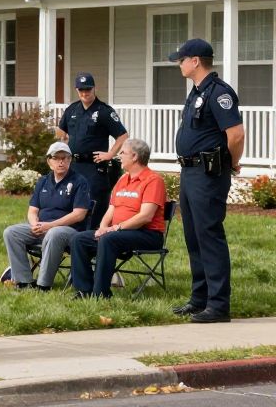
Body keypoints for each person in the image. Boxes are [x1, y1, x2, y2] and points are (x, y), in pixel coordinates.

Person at [168, 38, 244, 324]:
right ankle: (200, 299)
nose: (179, 63)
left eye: (181, 59)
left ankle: (218, 305)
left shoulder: (219, 93)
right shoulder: (196, 92)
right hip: (190, 172)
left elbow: (235, 134)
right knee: (194, 236)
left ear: (195, 61)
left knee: (209, 235)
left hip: (209, 173)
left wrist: (232, 162)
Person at [69, 138, 165, 299]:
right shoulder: (122, 179)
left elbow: (145, 216)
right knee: (78, 239)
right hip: (117, 233)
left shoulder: (153, 180)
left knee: (108, 239)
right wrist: (102, 227)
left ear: (134, 156)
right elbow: (111, 209)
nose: (119, 156)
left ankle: (101, 293)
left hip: (147, 234)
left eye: (123, 153)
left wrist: (115, 228)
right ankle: (84, 290)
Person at [2, 142, 91, 291]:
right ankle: (24, 281)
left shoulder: (79, 181)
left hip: (68, 231)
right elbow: (32, 210)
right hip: (42, 227)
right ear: (49, 161)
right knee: (11, 232)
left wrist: (50, 225)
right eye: (57, 158)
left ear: (70, 160)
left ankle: (43, 285)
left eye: (65, 158)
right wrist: (34, 224)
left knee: (54, 233)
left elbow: (79, 215)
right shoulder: (43, 181)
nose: (61, 161)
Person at [56, 73, 128, 230]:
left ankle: (93, 237)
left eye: (88, 89)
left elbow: (123, 136)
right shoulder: (72, 109)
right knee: (72, 201)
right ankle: (72, 237)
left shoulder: (104, 111)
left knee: (94, 204)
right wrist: (65, 146)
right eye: (81, 90)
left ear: (94, 88)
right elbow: (61, 132)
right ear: (76, 90)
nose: (84, 93)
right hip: (74, 165)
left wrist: (110, 154)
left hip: (94, 166)